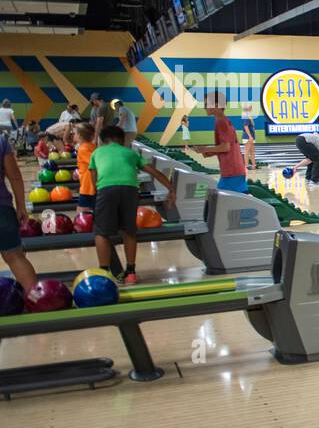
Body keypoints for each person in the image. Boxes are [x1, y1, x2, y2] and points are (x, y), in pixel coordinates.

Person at [88, 125, 175, 285]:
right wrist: (171, 188)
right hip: (130, 189)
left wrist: (98, 193)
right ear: (121, 141)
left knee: (101, 232)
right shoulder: (129, 153)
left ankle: (104, 272)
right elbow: (152, 171)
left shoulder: (97, 152)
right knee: (129, 231)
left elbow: (93, 178)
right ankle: (131, 272)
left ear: (103, 140)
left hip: (106, 189)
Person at [0, 130, 39, 294]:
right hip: (2, 209)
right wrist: (21, 206)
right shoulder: (1, 141)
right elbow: (15, 176)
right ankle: (38, 299)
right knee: (15, 256)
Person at [186, 89, 247, 193]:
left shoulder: (221, 122)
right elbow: (228, 147)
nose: (205, 107)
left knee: (219, 203)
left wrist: (205, 149)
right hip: (235, 170)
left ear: (217, 105)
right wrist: (208, 152)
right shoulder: (224, 121)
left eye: (207, 104)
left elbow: (226, 147)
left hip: (231, 171)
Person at [74, 122, 97, 215]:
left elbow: (96, 163)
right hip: (94, 185)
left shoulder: (82, 149)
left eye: (74, 133)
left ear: (79, 136)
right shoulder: (94, 147)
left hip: (88, 186)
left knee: (80, 216)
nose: (73, 135)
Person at [241, 103, 258, 170]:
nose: (251, 108)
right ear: (247, 108)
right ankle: (246, 166)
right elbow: (246, 127)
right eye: (250, 107)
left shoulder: (249, 116)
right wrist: (250, 136)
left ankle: (254, 165)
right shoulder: (246, 117)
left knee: (252, 151)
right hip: (247, 137)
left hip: (251, 137)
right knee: (247, 151)